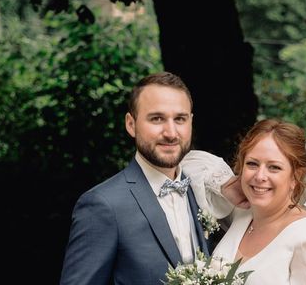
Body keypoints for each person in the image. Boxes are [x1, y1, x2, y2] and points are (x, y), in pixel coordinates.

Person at [59, 72, 237, 285]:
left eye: (179, 119)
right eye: (157, 119)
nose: (171, 133)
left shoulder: (200, 191)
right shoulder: (102, 205)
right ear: (131, 124)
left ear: (191, 122)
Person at [183, 118, 306, 285]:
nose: (260, 176)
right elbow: (186, 162)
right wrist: (224, 185)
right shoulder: (243, 216)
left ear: (296, 176)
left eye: (274, 167)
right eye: (252, 164)